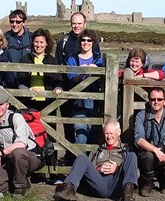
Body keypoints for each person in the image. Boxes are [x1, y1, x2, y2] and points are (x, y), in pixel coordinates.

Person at [52, 119, 138, 201]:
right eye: (106, 133)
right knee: (82, 158)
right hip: (99, 183)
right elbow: (87, 171)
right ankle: (68, 189)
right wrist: (99, 169)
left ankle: (128, 194)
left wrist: (117, 168)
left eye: (111, 133)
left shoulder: (126, 149)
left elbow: (136, 173)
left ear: (118, 132)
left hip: (117, 184)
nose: (109, 137)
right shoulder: (97, 150)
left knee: (132, 155)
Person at [56, 13, 101, 151]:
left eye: (79, 23)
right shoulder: (63, 43)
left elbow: (104, 73)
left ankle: (89, 168)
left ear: (84, 24)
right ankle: (74, 164)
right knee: (74, 132)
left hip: (94, 99)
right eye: (74, 23)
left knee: (93, 134)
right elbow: (58, 68)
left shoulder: (97, 54)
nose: (76, 26)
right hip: (72, 95)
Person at [133, 87, 165, 196]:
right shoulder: (142, 116)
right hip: (148, 154)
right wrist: (155, 150)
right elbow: (138, 139)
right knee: (148, 156)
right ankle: (147, 182)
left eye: (159, 99)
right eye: (153, 99)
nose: (156, 102)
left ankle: (164, 181)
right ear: (149, 100)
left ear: (164, 101)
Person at [66, 29, 104, 146]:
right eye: (83, 40)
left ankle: (92, 164)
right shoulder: (72, 58)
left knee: (94, 136)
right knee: (81, 136)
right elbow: (71, 78)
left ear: (93, 42)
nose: (86, 42)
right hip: (79, 103)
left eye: (89, 40)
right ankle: (81, 163)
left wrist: (96, 69)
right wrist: (83, 72)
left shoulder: (99, 60)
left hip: (95, 103)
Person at [16, 28, 63, 112]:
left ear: (47, 44)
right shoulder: (25, 59)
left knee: (48, 125)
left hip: (48, 102)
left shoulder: (52, 60)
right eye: (36, 42)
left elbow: (58, 79)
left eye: (41, 42)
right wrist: (29, 91)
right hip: (29, 102)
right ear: (32, 42)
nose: (38, 45)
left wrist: (58, 87)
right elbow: (19, 81)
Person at [3, 9, 32, 86]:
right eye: (12, 21)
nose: (14, 24)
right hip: (9, 83)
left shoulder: (31, 38)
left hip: (28, 83)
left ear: (24, 22)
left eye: (18, 22)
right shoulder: (5, 38)